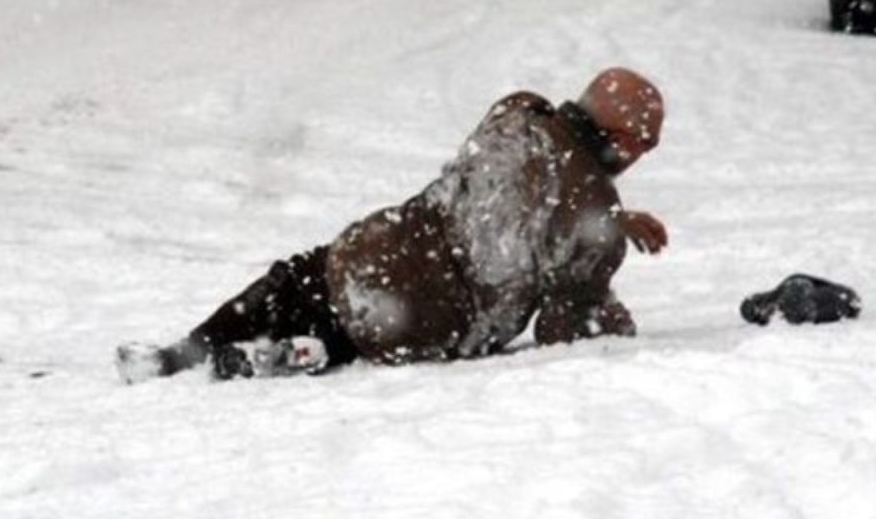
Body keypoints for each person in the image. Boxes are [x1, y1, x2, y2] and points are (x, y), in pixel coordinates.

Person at [116, 67, 668, 383]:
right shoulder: (589, 212)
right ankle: (314, 350)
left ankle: (184, 352)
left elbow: (529, 190)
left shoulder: (519, 110)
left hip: (374, 254)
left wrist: (607, 217)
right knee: (386, 328)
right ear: (622, 141)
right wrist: (610, 274)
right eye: (647, 142)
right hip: (426, 325)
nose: (646, 153)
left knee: (301, 279)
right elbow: (567, 330)